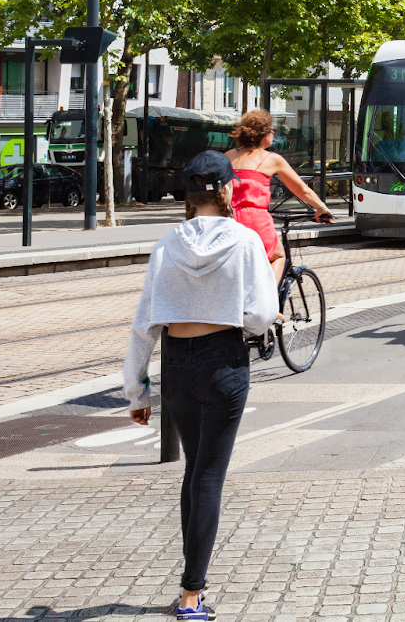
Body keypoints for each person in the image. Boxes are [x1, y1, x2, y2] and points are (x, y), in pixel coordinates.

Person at [123, 150, 277, 620]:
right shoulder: (246, 241)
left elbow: (144, 321)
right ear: (228, 190)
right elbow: (261, 314)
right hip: (223, 360)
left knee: (195, 470)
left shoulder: (167, 244)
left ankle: (190, 588)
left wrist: (137, 390)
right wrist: (243, 322)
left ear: (189, 195)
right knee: (209, 474)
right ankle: (192, 594)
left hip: (176, 365)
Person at [225, 109, 334, 281]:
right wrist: (321, 208)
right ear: (264, 134)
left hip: (228, 220)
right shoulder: (271, 159)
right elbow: (301, 189)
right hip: (255, 221)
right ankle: (269, 303)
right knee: (278, 256)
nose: (273, 133)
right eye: (272, 130)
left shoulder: (229, 156)